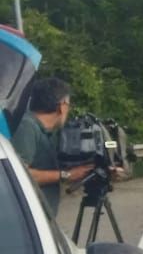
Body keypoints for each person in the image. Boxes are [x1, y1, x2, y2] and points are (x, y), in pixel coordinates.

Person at [11, 78, 93, 218]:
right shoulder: (26, 127)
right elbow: (17, 175)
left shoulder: (50, 133)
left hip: (40, 221)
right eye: (68, 104)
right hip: (27, 222)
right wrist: (65, 175)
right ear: (61, 106)